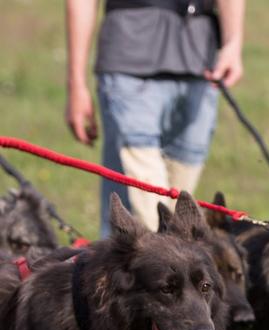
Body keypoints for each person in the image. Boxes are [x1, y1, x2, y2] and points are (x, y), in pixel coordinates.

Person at [65, 0, 245, 236]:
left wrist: (233, 42)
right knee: (148, 219)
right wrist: (76, 83)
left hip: (199, 63)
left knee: (179, 218)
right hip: (129, 61)